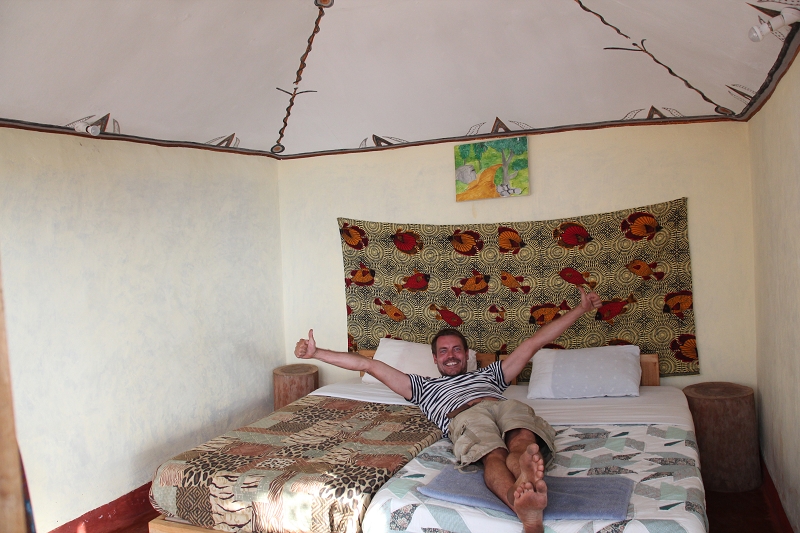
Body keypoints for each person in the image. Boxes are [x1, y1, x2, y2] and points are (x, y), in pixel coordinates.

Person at [294, 286, 602, 533]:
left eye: (456, 349)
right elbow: (368, 364)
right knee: (492, 454)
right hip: (464, 415)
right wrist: (317, 353)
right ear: (435, 359)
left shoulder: (491, 375)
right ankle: (520, 501)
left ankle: (525, 478)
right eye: (443, 351)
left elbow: (534, 343)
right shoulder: (421, 386)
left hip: (502, 404)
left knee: (522, 441)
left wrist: (580, 309)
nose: (450, 355)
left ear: (467, 355)